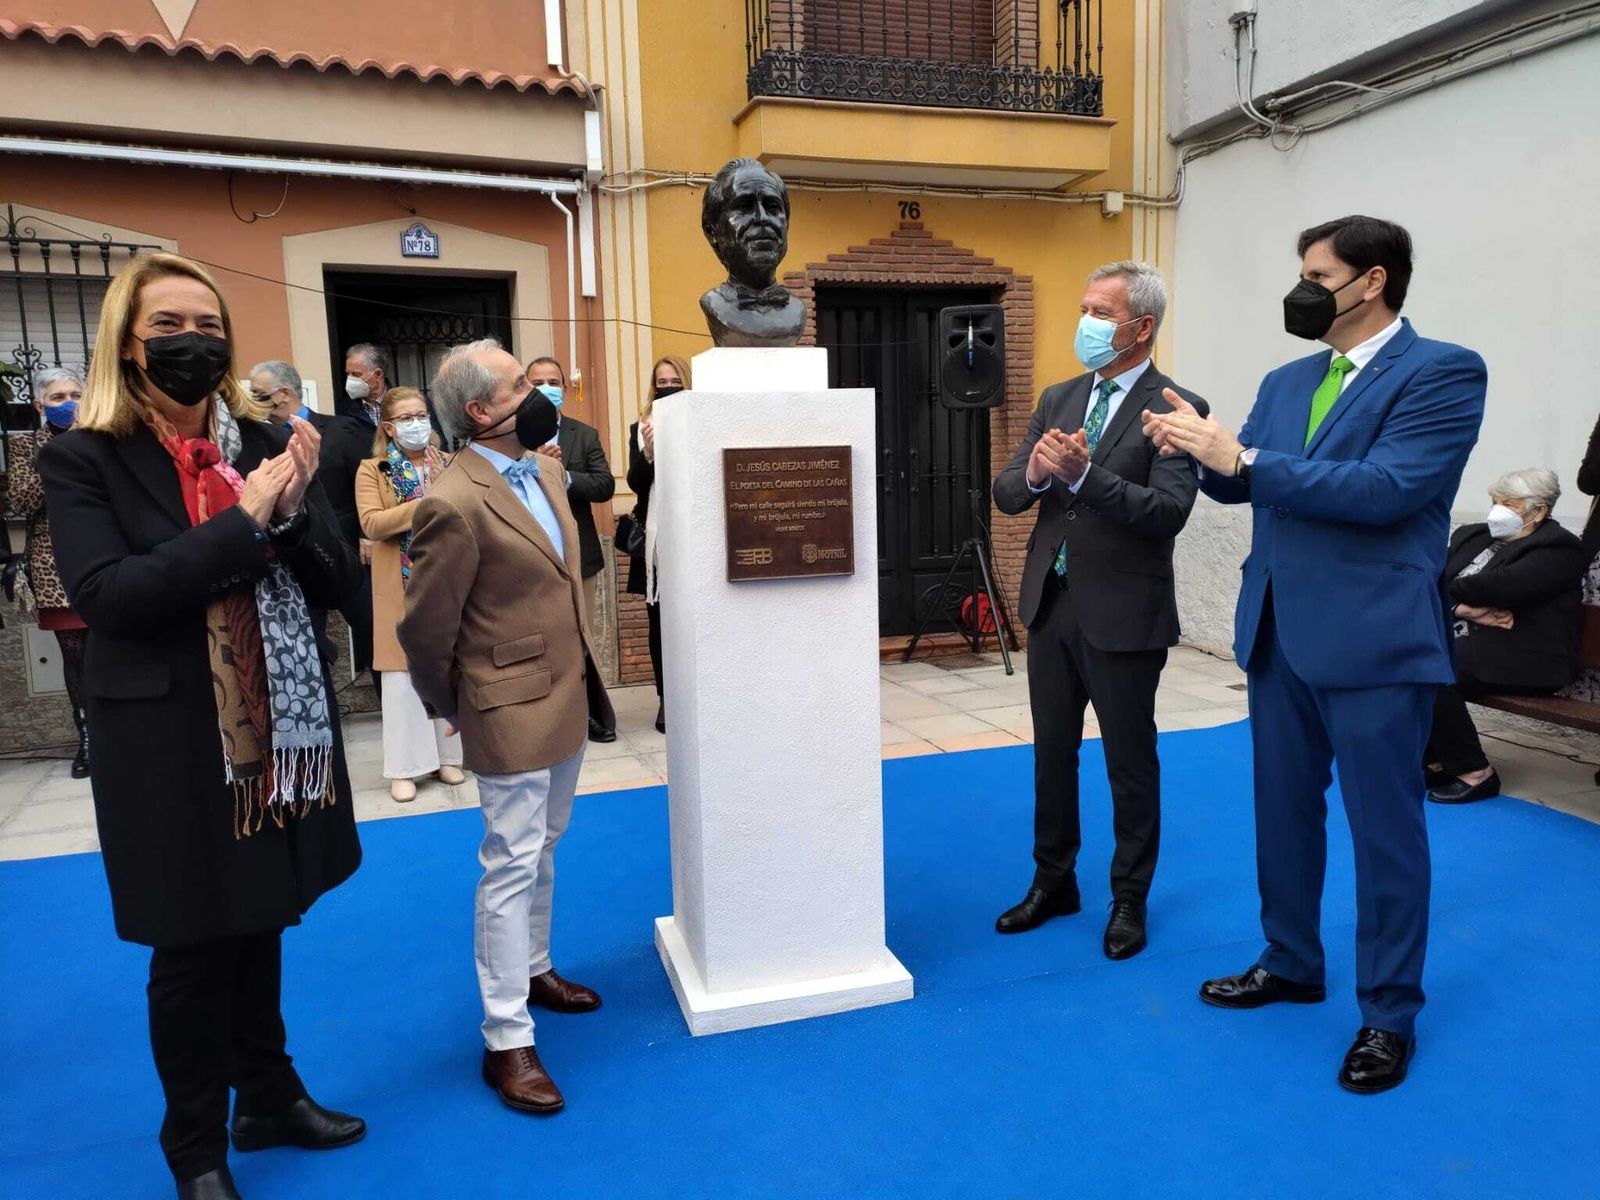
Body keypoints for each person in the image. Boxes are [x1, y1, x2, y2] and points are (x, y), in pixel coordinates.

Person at [36, 252, 364, 1200]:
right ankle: (195, 1149)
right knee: (190, 945)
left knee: (259, 916)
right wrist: (246, 522)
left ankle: (267, 1096)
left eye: (208, 325)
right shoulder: (85, 456)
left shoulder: (263, 438)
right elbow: (110, 597)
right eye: (168, 327)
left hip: (269, 729)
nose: (193, 342)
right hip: (166, 740)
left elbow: (335, 582)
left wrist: (290, 518)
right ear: (127, 345)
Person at [1143, 214, 1488, 1094]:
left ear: (1373, 281)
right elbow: (1243, 482)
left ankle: (1388, 1014)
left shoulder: (1443, 371)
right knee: (1283, 812)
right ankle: (1291, 959)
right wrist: (1198, 445)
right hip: (1277, 629)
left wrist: (1244, 457)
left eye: (1318, 276)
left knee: (1385, 832)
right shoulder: (1288, 378)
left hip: (1374, 637)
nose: (1301, 290)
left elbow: (1389, 488)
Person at [399, 338, 612, 1116]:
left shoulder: (548, 471)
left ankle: (535, 967)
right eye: (520, 384)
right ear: (479, 410)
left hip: (566, 692)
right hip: (504, 705)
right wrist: (455, 706)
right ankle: (505, 1040)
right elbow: (426, 630)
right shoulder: (451, 501)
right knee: (510, 863)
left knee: (545, 844)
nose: (539, 393)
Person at [991, 262, 1206, 960]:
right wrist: (1037, 472)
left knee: (1128, 763)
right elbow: (1007, 492)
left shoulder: (1175, 406)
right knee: (1052, 755)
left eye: (1100, 313)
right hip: (1051, 605)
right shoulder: (1058, 397)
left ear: (1140, 327)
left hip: (1124, 612)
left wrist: (1086, 475)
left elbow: (1167, 512)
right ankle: (1053, 881)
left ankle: (1129, 898)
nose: (1084, 323)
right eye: (1083, 308)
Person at [1425, 469, 1589, 804]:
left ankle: (1476, 772)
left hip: (1525, 655)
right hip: (1468, 639)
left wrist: (1445, 594)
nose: (1497, 511)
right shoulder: (1472, 535)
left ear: (1538, 511)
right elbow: (1428, 575)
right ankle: (1437, 760)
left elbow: (1500, 586)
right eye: (1495, 501)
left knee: (1433, 668)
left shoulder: (1560, 548)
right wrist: (1462, 609)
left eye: (1509, 504)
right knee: (1410, 659)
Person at [355, 386, 466, 802]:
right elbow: (372, 523)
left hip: (445, 580)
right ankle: (405, 768)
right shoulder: (373, 469)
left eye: (421, 415)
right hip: (398, 586)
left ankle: (448, 757)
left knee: (444, 668)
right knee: (402, 679)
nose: (417, 423)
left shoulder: (450, 463)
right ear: (388, 427)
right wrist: (425, 504)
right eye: (405, 418)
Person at [526, 355, 618, 742]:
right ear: (525, 388)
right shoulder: (513, 436)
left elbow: (604, 485)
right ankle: (549, 717)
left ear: (564, 388)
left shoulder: (583, 434)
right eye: (538, 382)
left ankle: (588, 714)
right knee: (543, 639)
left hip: (579, 555)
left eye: (553, 381)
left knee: (582, 638)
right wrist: (534, 464)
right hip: (530, 558)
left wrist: (563, 476)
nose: (546, 388)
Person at [7, 367, 93, 776]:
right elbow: (24, 497)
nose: (69, 403)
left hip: (106, 554)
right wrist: (63, 459)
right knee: (75, 656)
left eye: (75, 394)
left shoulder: (101, 438)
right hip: (53, 563)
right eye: (58, 397)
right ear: (40, 406)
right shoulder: (26, 446)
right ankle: (88, 740)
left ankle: (121, 733)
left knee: (114, 648)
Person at [307, 344, 391, 683]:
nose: (350, 380)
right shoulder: (343, 418)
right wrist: (363, 532)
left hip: (407, 527)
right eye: (348, 374)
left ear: (377, 375)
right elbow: (348, 482)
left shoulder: (406, 406)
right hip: (369, 531)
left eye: (356, 374)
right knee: (375, 625)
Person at [627, 354, 690, 735]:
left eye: (674, 381)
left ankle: (695, 694)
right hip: (656, 543)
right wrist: (649, 452)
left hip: (692, 535)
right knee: (659, 622)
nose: (667, 387)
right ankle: (667, 697)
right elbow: (636, 484)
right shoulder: (641, 427)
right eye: (661, 382)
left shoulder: (699, 420)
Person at [249, 360, 332, 432]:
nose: (253, 399)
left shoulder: (338, 431)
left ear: (285, 394)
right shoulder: (254, 435)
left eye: (258, 393)